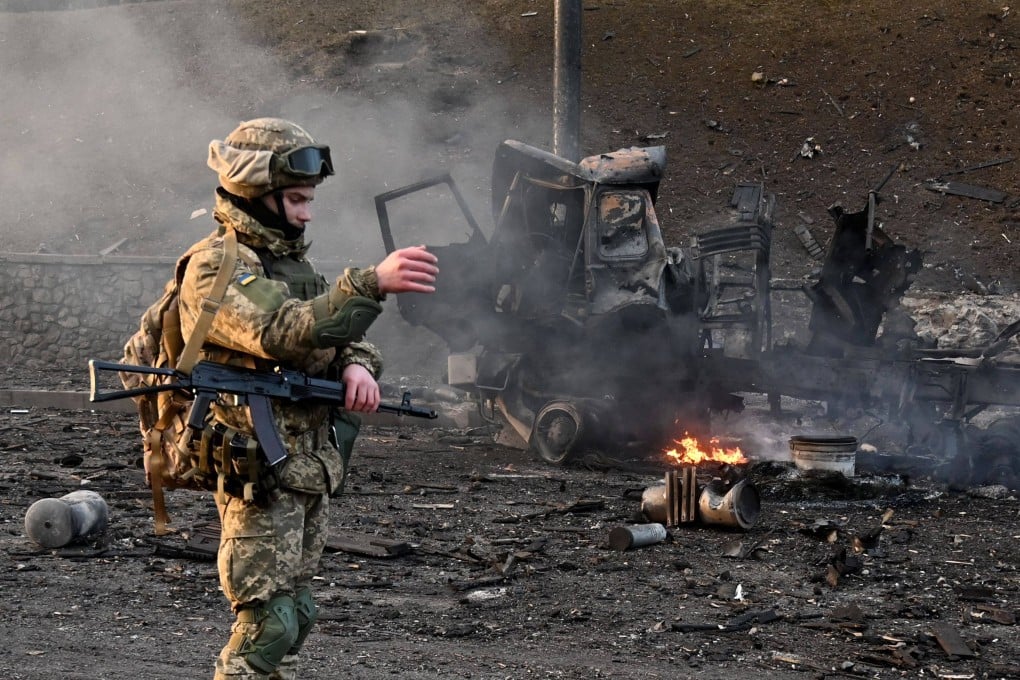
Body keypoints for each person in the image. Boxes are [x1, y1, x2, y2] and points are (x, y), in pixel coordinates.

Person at [184, 117, 439, 679]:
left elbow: (345, 339)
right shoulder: (216, 266)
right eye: (296, 198)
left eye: (310, 199)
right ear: (256, 191)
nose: (307, 212)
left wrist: (356, 367)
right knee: (266, 627)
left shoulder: (293, 267)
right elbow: (278, 331)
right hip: (258, 471)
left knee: (296, 616)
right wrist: (369, 283)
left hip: (305, 468)